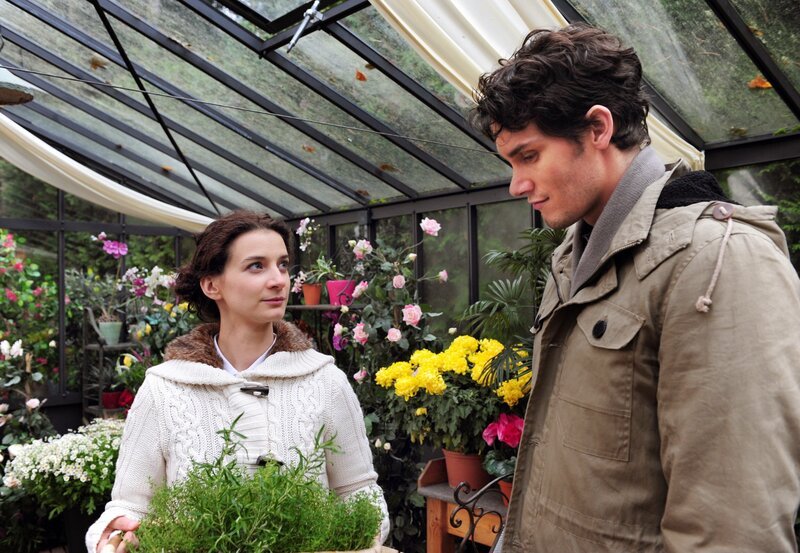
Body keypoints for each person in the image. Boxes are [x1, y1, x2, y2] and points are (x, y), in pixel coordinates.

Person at [471, 23, 800, 552]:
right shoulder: (571, 256)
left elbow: (733, 526)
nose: (516, 184)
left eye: (528, 156)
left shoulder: (718, 258)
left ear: (598, 127)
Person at [86, 211, 389, 552]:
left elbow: (359, 492)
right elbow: (129, 506)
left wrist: (364, 535)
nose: (278, 280)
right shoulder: (163, 388)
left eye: (283, 264)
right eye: (256, 266)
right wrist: (114, 537)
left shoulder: (325, 381)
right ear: (212, 285)